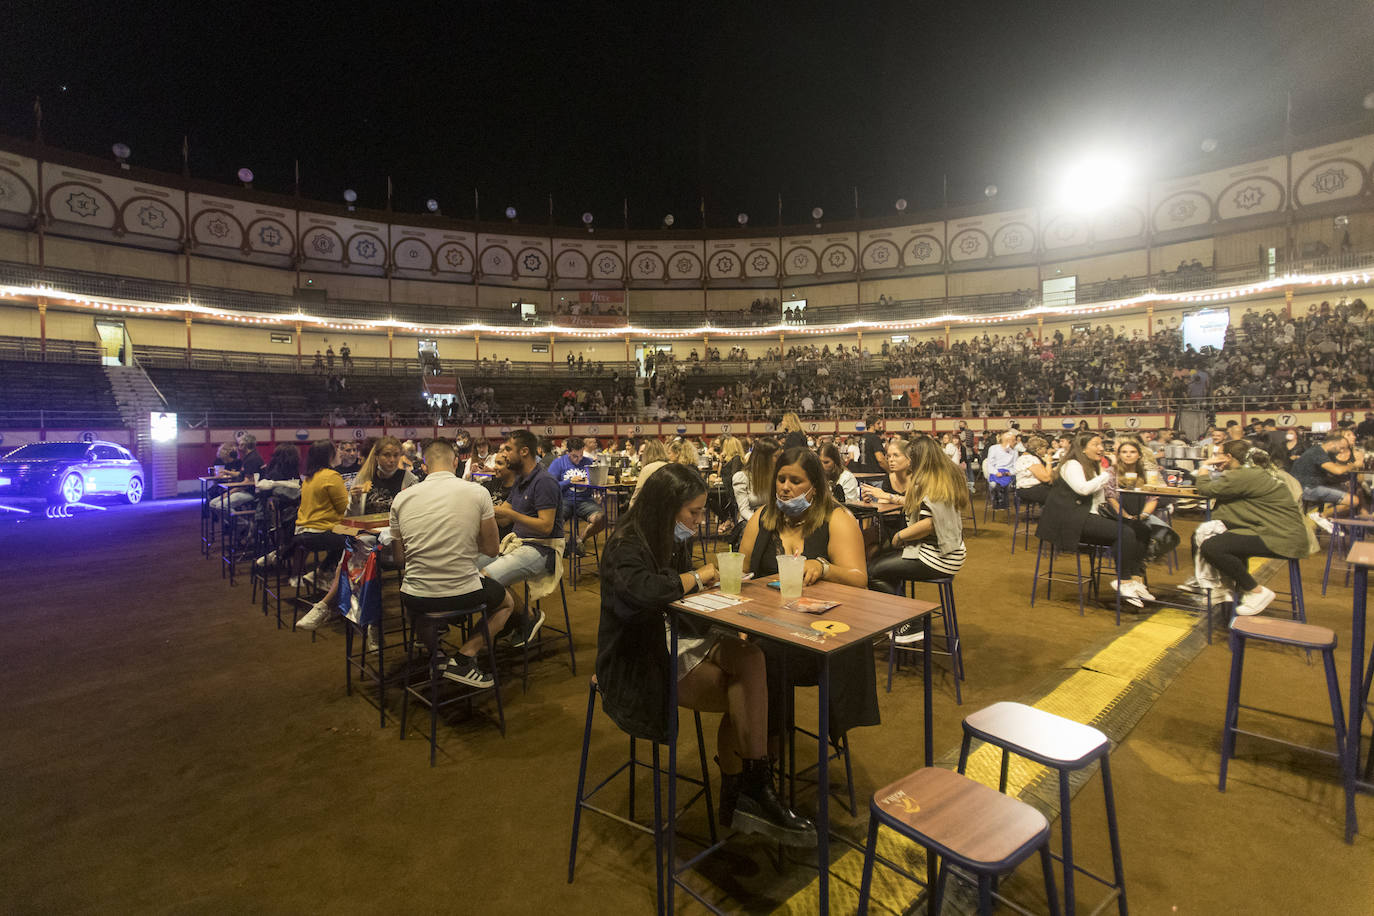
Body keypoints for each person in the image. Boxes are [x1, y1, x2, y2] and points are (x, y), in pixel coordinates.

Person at [597, 463, 817, 846]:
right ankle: (745, 793)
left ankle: (750, 788)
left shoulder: (670, 538)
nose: (699, 522)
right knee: (746, 689)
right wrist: (699, 577)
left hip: (676, 635)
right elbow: (647, 592)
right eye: (693, 513)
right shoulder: (625, 544)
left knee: (753, 660)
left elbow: (679, 597)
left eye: (701, 512)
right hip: (637, 655)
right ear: (666, 508)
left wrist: (717, 595)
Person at [737, 447, 873, 745]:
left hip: (820, 639)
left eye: (795, 481)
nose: (785, 487)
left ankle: (767, 746)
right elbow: (742, 571)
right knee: (742, 653)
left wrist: (823, 567)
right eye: (781, 479)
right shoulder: (761, 518)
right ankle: (752, 747)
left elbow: (858, 579)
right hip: (765, 626)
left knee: (761, 658)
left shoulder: (837, 518)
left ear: (815, 486)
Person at [389, 439, 521, 688]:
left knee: (416, 601)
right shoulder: (477, 492)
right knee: (507, 603)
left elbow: (399, 559)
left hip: (416, 596)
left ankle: (437, 656)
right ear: (456, 462)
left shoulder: (401, 499)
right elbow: (493, 549)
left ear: (425, 467)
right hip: (464, 593)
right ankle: (465, 656)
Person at [1194, 439, 1314, 616]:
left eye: (1217, 454)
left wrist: (1204, 466)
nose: (1214, 457)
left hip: (1280, 536)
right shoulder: (1253, 472)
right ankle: (1232, 590)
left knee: (1212, 546)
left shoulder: (1244, 475)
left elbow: (1205, 489)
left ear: (1228, 457)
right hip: (1279, 531)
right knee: (1220, 538)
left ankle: (1255, 591)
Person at [867, 437, 969, 643]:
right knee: (884, 562)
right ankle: (901, 619)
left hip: (938, 557)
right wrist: (894, 498)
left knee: (872, 571)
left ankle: (911, 621)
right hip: (951, 553)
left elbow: (928, 524)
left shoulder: (929, 482)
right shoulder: (941, 478)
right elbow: (922, 506)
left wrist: (900, 536)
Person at [1036, 432, 1152, 607]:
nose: (1101, 448)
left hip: (1091, 514)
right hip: (1072, 519)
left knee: (1140, 529)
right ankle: (1124, 581)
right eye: (1096, 445)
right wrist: (1109, 472)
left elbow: (1102, 495)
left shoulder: (1094, 465)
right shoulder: (1071, 465)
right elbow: (1083, 489)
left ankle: (1136, 579)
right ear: (1083, 448)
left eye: (1101, 445)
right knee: (1125, 532)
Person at [476, 429, 564, 643]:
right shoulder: (521, 480)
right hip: (520, 544)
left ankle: (522, 617)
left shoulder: (544, 481)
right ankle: (519, 617)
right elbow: (504, 517)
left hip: (543, 549)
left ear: (524, 451)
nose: (504, 454)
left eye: (508, 449)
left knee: (484, 580)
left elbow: (545, 527)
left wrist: (511, 513)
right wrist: (476, 509)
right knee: (469, 571)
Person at [293, 441, 351, 628]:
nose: (339, 454)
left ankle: (321, 572)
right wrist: (354, 496)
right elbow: (344, 508)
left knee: (346, 539)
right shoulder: (331, 475)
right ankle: (331, 583)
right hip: (322, 531)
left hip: (303, 532)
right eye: (336, 452)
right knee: (354, 540)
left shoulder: (310, 477)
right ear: (329, 455)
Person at [547, 436, 606, 556]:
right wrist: (569, 481)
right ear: (568, 452)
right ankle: (563, 545)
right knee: (553, 521)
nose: (578, 459)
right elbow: (550, 487)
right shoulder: (558, 463)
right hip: (564, 500)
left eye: (581, 455)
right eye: (575, 456)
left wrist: (598, 492)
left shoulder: (588, 462)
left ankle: (579, 541)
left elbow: (596, 483)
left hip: (585, 501)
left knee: (601, 519)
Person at [1291, 431, 1361, 526]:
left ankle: (1328, 521)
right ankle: (1320, 516)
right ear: (1331, 444)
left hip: (1308, 485)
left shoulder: (1322, 452)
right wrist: (1351, 466)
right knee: (1354, 501)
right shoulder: (1317, 452)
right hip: (1308, 488)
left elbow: (1334, 469)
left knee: (1350, 491)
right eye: (1341, 448)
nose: (1341, 451)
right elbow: (1337, 470)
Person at [349, 436, 418, 516]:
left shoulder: (410, 480)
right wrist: (354, 502)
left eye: (396, 455)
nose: (392, 460)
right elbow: (352, 516)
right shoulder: (362, 479)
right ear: (377, 457)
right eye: (387, 455)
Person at [733, 438, 781, 526]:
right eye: (776, 456)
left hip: (772, 520)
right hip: (750, 522)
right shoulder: (741, 477)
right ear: (764, 458)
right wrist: (762, 522)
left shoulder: (777, 476)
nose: (779, 460)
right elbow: (744, 510)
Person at [1013, 435, 1053, 505]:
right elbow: (1046, 478)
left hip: (1029, 488)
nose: (1046, 451)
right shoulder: (1029, 459)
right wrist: (1049, 462)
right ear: (1038, 449)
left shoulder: (1027, 456)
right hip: (1028, 489)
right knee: (1058, 495)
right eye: (1045, 448)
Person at [631, 438, 671, 505]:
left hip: (651, 510)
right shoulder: (672, 466)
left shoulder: (647, 469)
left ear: (647, 453)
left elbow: (636, 497)